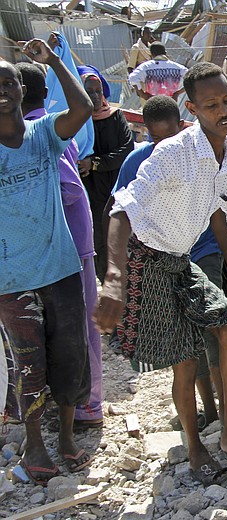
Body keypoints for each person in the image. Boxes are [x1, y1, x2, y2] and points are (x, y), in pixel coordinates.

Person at [94, 63, 227, 485]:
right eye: (211, 105)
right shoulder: (172, 153)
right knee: (186, 361)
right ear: (191, 108)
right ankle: (195, 449)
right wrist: (114, 277)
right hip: (145, 260)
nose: (223, 110)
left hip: (179, 258)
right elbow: (122, 207)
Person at [0, 38, 94, 485]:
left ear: (21, 89)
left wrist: (54, 60)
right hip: (10, 277)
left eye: (7, 82)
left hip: (60, 268)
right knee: (27, 360)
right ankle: (35, 443)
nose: (1, 91)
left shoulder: (42, 135)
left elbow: (80, 110)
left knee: (70, 355)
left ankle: (67, 438)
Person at [113, 95, 227, 430]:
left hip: (202, 250)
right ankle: (208, 412)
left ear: (182, 126)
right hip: (165, 260)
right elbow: (122, 209)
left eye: (170, 137)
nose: (163, 145)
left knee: (214, 330)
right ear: (146, 133)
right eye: (155, 139)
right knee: (185, 346)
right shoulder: (138, 163)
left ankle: (226, 413)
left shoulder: (202, 151)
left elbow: (222, 211)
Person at [18, 62, 104, 432]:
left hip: (66, 248)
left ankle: (87, 405)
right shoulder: (32, 130)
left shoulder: (39, 132)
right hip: (58, 248)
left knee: (78, 328)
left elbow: (69, 189)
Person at [78, 66, 134, 283]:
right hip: (90, 191)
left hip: (114, 187)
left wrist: (95, 163)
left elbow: (125, 149)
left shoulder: (115, 116)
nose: (94, 96)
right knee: (98, 239)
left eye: (97, 90)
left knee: (121, 235)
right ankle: (106, 283)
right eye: (88, 91)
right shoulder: (76, 121)